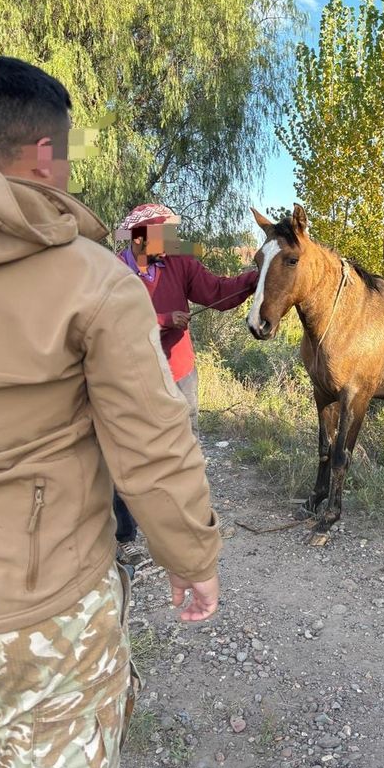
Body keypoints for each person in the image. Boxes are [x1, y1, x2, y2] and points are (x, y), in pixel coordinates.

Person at [0, 55, 222, 768]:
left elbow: (210, 290)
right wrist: (192, 554)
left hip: (169, 371)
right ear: (44, 156)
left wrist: (254, 279)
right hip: (39, 608)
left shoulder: (161, 267)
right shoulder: (95, 275)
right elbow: (150, 444)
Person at [112, 203, 258, 567]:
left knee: (184, 451)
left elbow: (217, 291)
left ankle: (188, 525)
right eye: (167, 234)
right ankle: (126, 537)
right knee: (126, 456)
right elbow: (109, 321)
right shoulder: (113, 270)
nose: (174, 241)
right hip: (127, 376)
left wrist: (259, 276)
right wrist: (162, 319)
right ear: (142, 236)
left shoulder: (179, 261)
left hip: (178, 371)